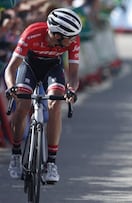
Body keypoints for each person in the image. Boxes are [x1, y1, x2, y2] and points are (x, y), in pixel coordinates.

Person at [5, 7, 82, 183]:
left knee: (55, 104)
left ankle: (51, 163)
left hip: (52, 68)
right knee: (23, 105)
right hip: (29, 66)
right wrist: (12, 88)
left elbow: (74, 74)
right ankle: (16, 154)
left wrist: (71, 89)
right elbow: (11, 69)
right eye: (68, 39)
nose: (71, 42)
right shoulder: (31, 34)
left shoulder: (72, 39)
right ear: (56, 35)